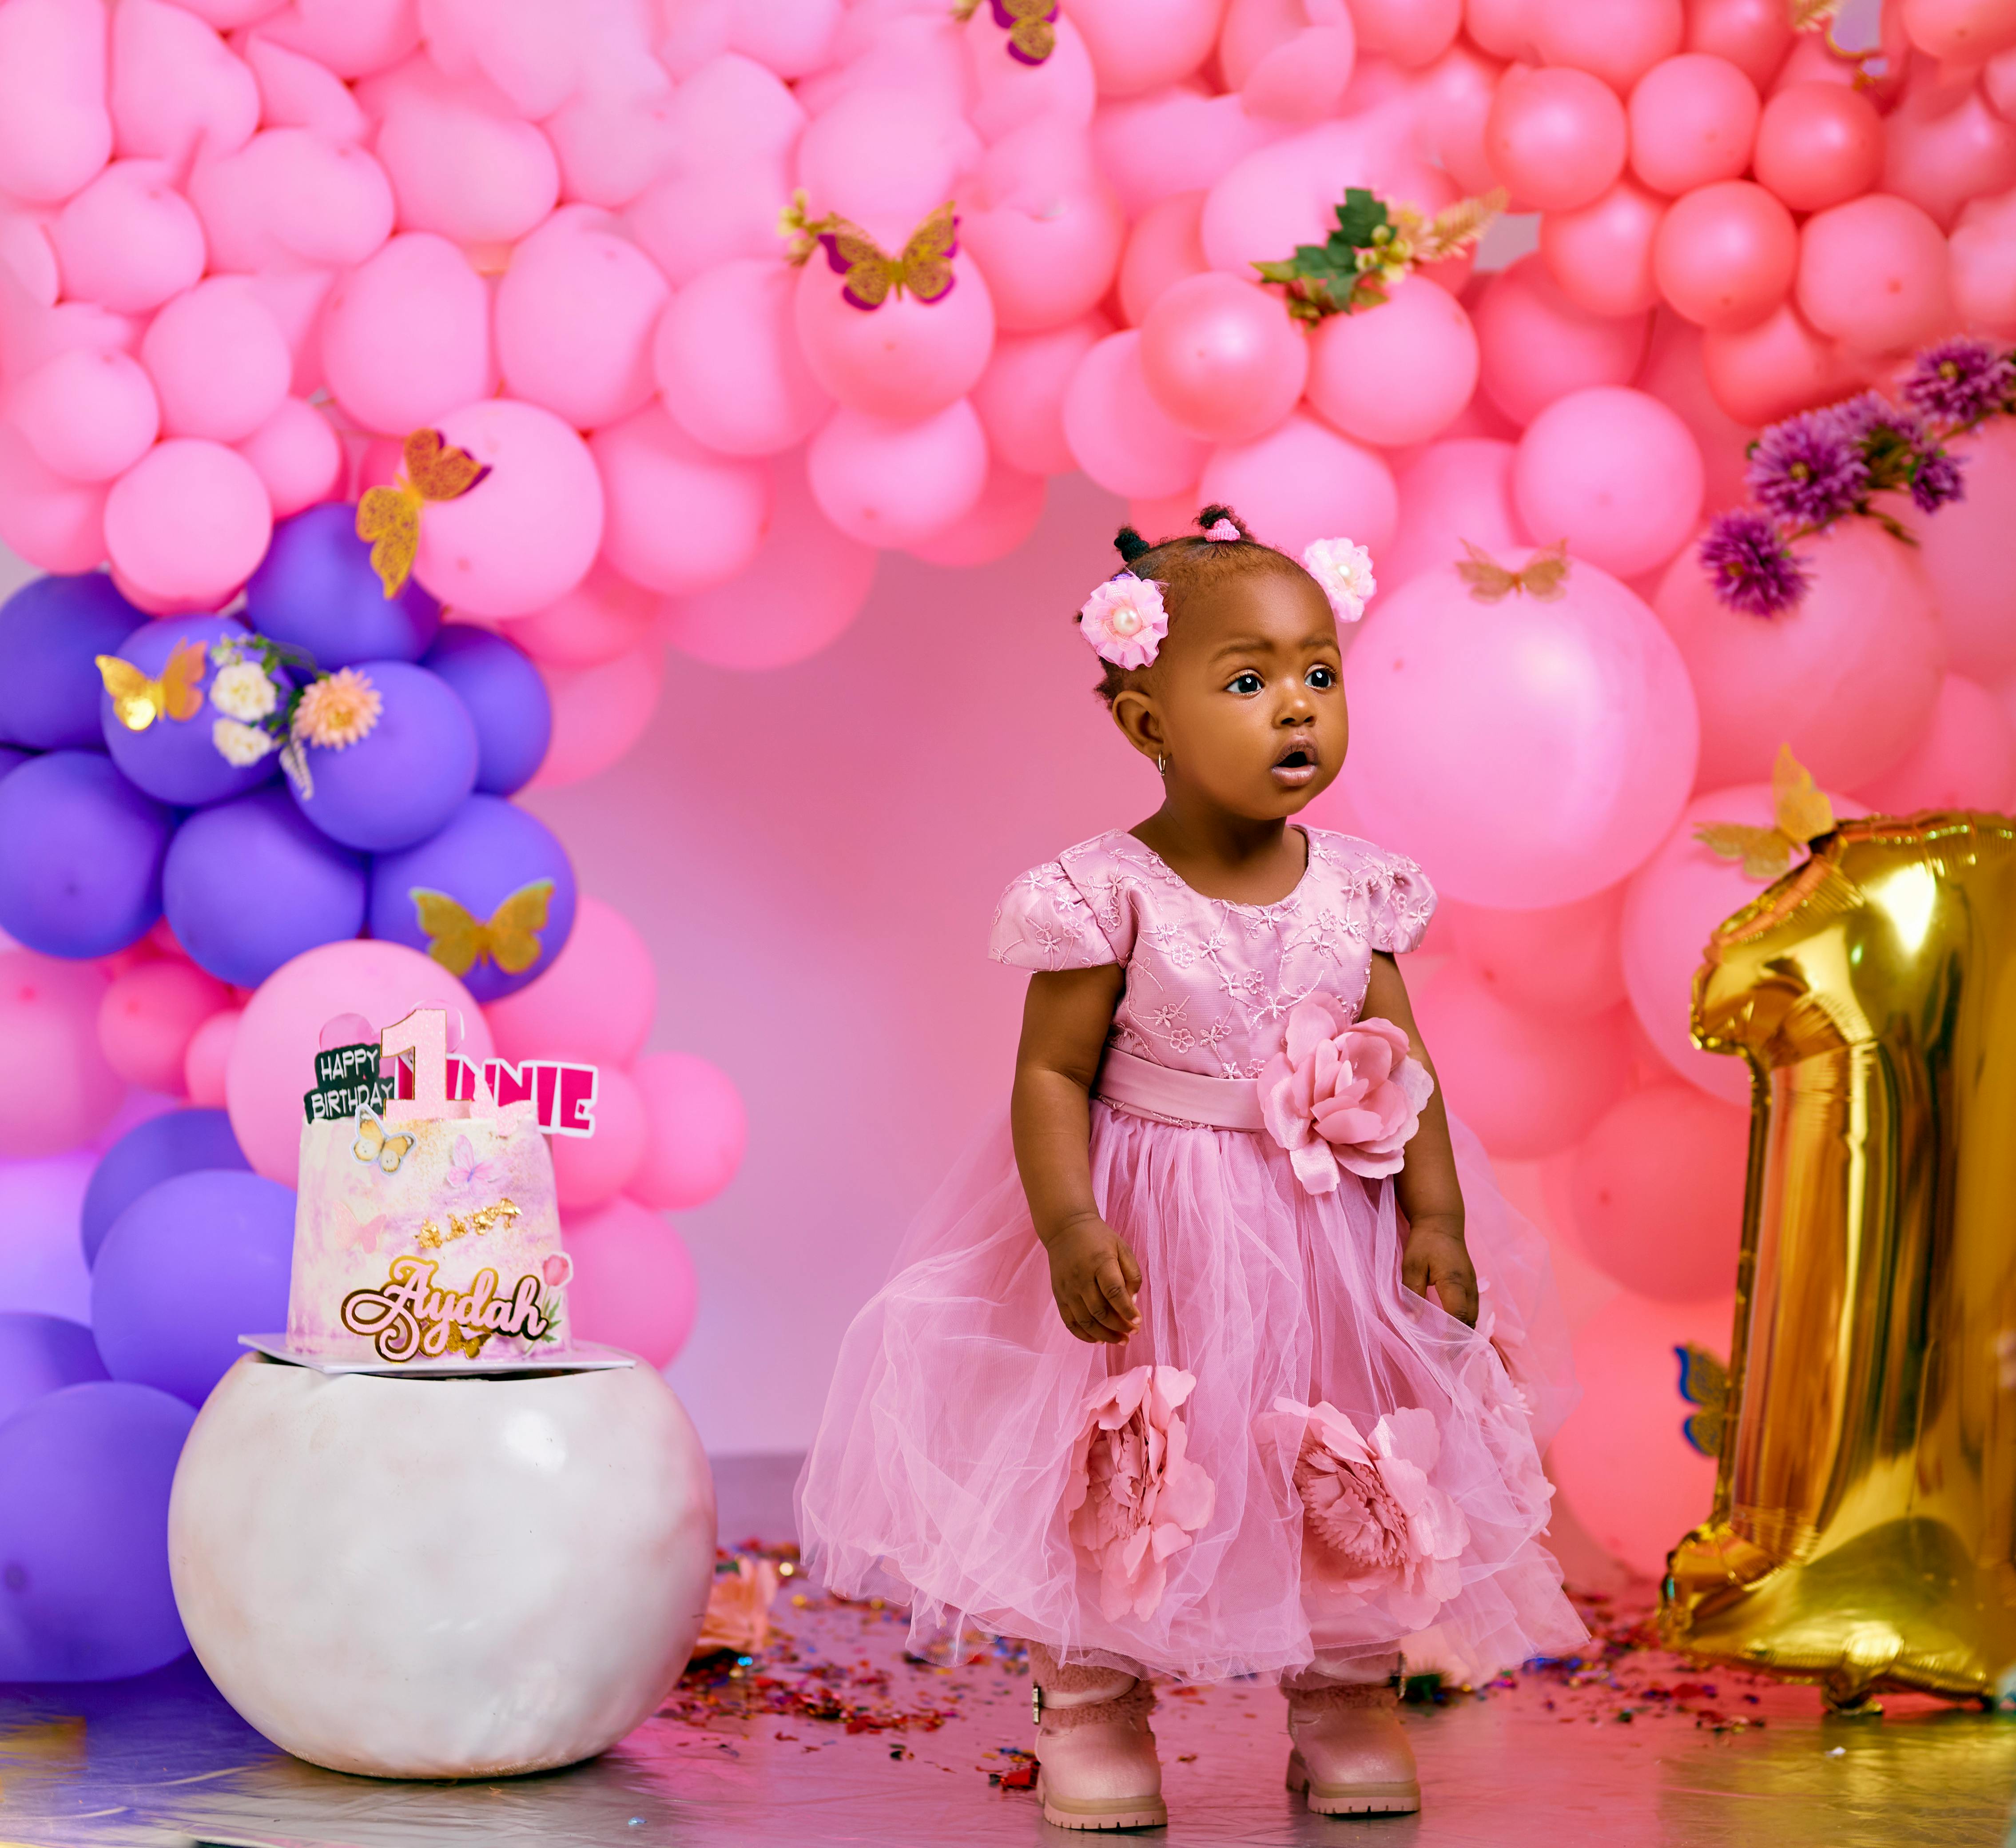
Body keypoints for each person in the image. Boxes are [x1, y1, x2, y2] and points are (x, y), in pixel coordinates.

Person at [798, 507, 1586, 1828]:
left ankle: (1345, 1689)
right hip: (1151, 1231)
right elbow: (1050, 1074)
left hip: (1330, 1232)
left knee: (1340, 1450)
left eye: (1317, 673)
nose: (1297, 707)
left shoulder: (1358, 892)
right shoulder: (1107, 894)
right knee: (1132, 1459)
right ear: (1146, 722)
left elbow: (1401, 1065)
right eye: (1246, 681)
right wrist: (1069, 1225)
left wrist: (1435, 1217)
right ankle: (1093, 1703)